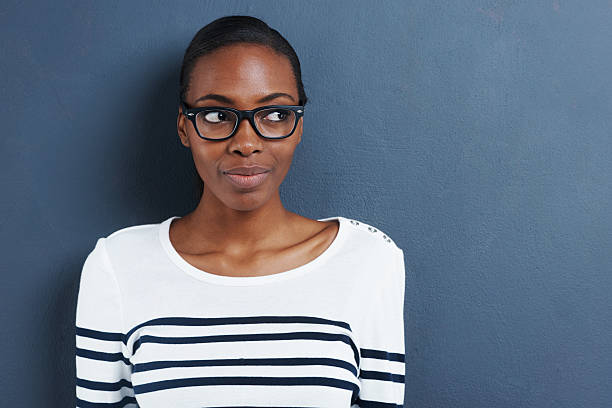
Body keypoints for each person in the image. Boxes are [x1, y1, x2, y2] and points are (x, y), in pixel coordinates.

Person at [75, 15, 406, 407]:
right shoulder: (117, 265)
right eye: (217, 116)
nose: (246, 143)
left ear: (298, 125)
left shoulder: (367, 259)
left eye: (275, 114)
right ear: (184, 127)